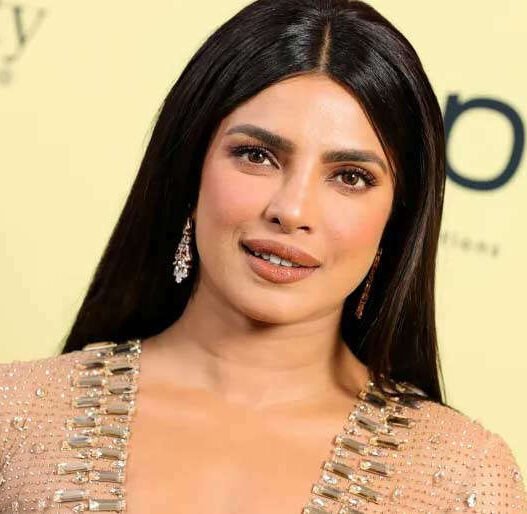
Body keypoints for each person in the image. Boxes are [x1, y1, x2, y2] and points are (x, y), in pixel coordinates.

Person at [1, 0, 525, 512]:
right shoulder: (16, 415)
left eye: (350, 177)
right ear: (190, 169)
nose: (291, 210)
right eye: (257, 155)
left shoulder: (459, 477)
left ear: (396, 219)